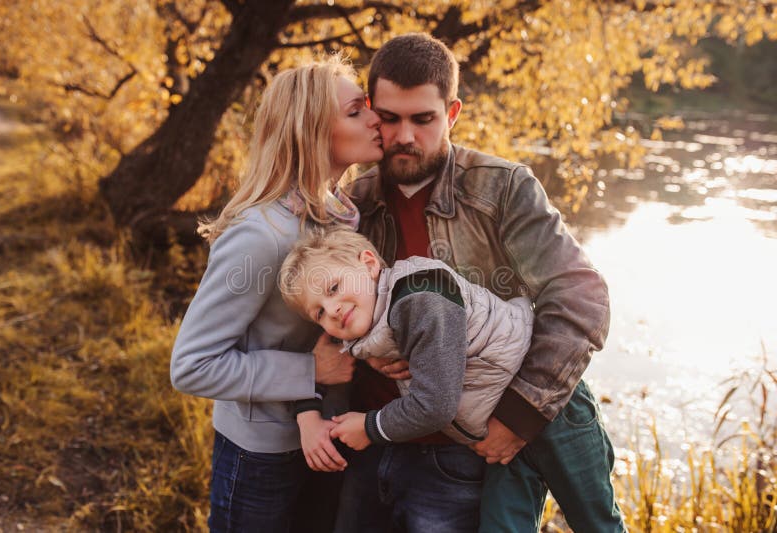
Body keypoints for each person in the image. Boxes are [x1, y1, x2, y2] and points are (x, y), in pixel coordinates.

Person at [336, 33, 627, 532]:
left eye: (423, 119)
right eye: (390, 117)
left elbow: (581, 296)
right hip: (375, 442)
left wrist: (519, 417)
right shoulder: (351, 203)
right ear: (371, 111)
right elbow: (326, 300)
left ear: (451, 114)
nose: (405, 135)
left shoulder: (502, 188)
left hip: (463, 453)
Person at [170, 55, 383, 532]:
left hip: (327, 440)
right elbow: (191, 366)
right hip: (260, 457)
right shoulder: (261, 234)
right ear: (312, 133)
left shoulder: (342, 214)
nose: (375, 119)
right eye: (355, 111)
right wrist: (311, 370)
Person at [278, 225, 534, 447]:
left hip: (534, 391)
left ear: (369, 265)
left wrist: (369, 428)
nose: (332, 310)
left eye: (334, 288)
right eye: (319, 312)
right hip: (493, 425)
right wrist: (307, 416)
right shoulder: (361, 322)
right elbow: (320, 359)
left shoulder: (420, 300)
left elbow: (435, 406)